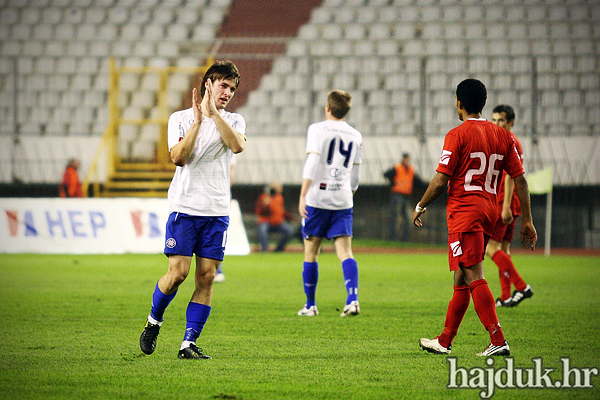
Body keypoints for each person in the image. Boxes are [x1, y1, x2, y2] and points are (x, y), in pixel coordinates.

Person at [413, 79, 537, 357]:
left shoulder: (457, 135)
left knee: (473, 273)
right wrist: (527, 219)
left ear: (459, 102)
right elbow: (520, 180)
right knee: (461, 277)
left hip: (465, 213)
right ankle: (444, 340)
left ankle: (498, 339)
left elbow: (440, 180)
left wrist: (420, 205)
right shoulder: (503, 136)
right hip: (489, 211)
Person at [139, 60, 246, 360]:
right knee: (178, 274)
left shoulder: (235, 121)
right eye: (224, 85)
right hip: (185, 208)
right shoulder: (181, 119)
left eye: (233, 89)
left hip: (216, 212)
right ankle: (153, 322)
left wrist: (215, 116)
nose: (228, 93)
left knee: (207, 277)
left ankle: (188, 343)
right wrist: (200, 121)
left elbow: (237, 146)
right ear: (208, 84)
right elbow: (179, 158)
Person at [297, 90, 363, 317]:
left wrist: (303, 194)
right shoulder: (355, 135)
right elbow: (356, 171)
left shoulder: (316, 129)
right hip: (343, 199)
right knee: (345, 251)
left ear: (328, 107)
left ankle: (311, 305)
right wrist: (349, 193)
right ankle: (353, 300)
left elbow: (313, 161)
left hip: (318, 198)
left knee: (311, 251)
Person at [487, 105, 533, 307]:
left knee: (490, 247)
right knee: (504, 249)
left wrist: (505, 206)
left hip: (504, 201)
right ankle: (506, 295)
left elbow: (510, 177)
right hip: (512, 202)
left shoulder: (509, 141)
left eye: (501, 120)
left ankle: (521, 286)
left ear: (511, 122)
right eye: (494, 120)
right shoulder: (515, 142)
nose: (497, 124)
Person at [384, 153, 417, 241]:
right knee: (395, 218)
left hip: (406, 196)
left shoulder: (410, 169)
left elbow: (417, 180)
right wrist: (392, 184)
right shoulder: (398, 168)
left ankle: (405, 239)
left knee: (408, 218)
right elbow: (386, 174)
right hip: (397, 195)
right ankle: (393, 239)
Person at [214, 157, 237, 283]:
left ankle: (216, 269)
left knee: (217, 233)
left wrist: (223, 193)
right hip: (200, 195)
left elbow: (231, 170)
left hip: (219, 197)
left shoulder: (231, 142)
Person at [255, 181, 294, 252]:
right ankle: (265, 249)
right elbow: (258, 212)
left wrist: (290, 218)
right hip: (267, 222)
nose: (281, 189)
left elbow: (281, 211)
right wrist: (265, 205)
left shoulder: (280, 198)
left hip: (278, 223)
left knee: (289, 230)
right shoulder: (264, 197)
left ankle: (278, 249)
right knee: (262, 230)